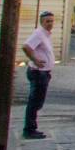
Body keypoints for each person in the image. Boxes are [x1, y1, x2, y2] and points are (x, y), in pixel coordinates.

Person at [21, 10, 57, 139]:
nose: (50, 24)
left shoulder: (46, 35)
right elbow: (26, 47)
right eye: (47, 21)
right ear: (42, 22)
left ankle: (31, 127)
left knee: (37, 102)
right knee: (34, 102)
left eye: (52, 21)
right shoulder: (39, 34)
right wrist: (35, 60)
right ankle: (29, 129)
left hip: (44, 73)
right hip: (38, 73)